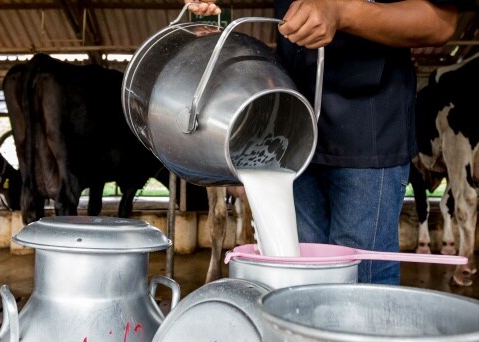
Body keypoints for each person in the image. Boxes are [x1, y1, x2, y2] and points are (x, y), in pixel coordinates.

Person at [186, 0, 465, 284]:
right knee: (299, 277)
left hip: (368, 128)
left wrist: (341, 12)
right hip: (292, 128)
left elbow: (440, 22)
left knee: (360, 283)